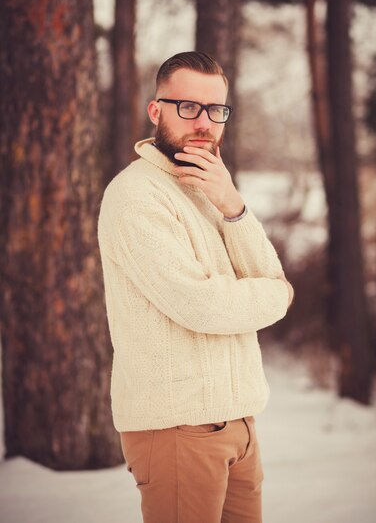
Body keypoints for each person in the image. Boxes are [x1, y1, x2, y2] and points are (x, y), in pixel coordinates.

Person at [97, 51, 294, 523]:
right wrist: (275, 296)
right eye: (188, 107)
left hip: (239, 424)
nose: (203, 122)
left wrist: (232, 204)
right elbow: (203, 306)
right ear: (156, 110)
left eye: (216, 110)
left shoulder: (209, 187)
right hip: (178, 430)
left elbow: (271, 277)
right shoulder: (135, 196)